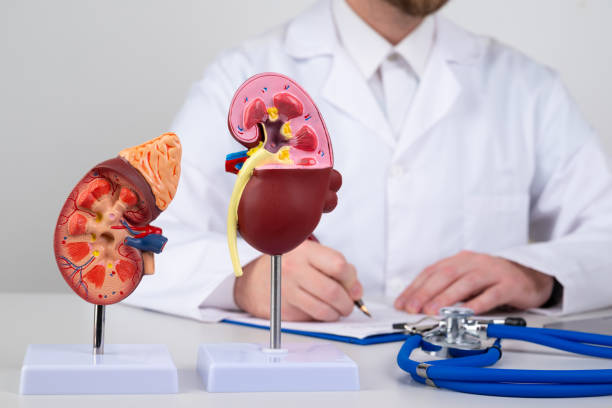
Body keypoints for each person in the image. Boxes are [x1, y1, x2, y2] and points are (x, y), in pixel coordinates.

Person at [125, 0, 612, 321]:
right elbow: (132, 242)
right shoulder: (244, 74)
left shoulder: (528, 88)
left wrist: (536, 274)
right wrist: (248, 279)